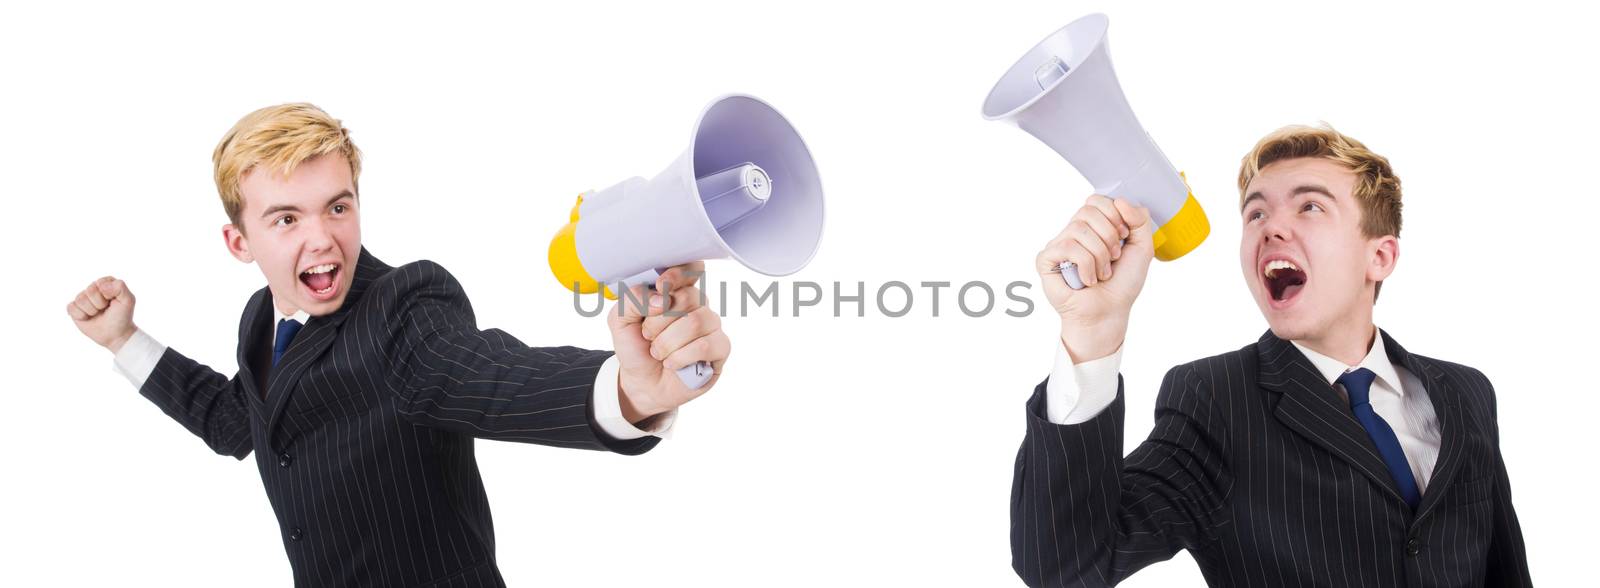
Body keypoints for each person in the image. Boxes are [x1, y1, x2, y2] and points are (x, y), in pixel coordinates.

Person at [64, 103, 731, 587]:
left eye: (338, 206)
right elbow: (240, 422)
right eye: (287, 218)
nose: (322, 238)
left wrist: (628, 392)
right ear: (240, 242)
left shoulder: (405, 305)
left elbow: (486, 377)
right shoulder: (258, 321)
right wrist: (123, 339)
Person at [1012, 124, 1531, 586]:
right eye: (1256, 211)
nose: (1270, 227)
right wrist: (1093, 332)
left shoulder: (1466, 392)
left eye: (1310, 206)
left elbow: (1504, 569)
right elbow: (1067, 566)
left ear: (1380, 256)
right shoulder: (1215, 400)